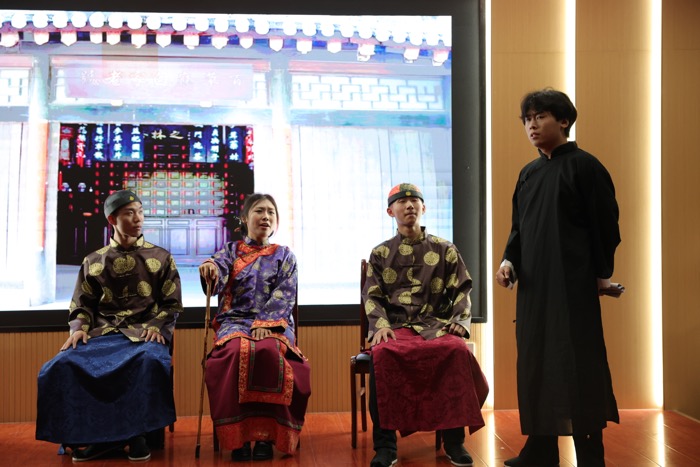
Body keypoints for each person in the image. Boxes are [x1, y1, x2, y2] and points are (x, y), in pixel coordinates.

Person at [495, 88, 621, 467]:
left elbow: (606, 227)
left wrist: (600, 275)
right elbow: (519, 229)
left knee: (577, 366)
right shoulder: (528, 173)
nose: (532, 126)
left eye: (540, 117)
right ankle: (541, 451)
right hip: (534, 290)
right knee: (536, 365)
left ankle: (590, 458)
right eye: (527, 120)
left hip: (571, 287)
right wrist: (509, 261)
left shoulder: (586, 167)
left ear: (563, 120)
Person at [36, 189, 183, 462]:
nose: (138, 218)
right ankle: (91, 437)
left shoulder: (161, 257)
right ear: (112, 219)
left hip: (143, 335)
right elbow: (81, 305)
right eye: (129, 213)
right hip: (102, 335)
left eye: (140, 212)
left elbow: (171, 304)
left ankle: (136, 436)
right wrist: (78, 329)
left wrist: (156, 325)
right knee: (61, 365)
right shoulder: (93, 261)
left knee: (150, 361)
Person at [362, 183, 489, 467]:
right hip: (397, 327)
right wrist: (380, 325)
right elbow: (372, 295)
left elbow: (462, 289)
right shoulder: (380, 253)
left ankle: (454, 442)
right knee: (382, 354)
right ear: (390, 211)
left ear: (424, 208)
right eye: (402, 202)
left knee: (456, 351)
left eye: (415, 201)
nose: (409, 205)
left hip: (436, 325)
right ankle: (385, 447)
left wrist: (459, 321)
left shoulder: (445, 249)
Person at [198, 193, 310, 462]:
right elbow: (218, 272)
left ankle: (266, 437)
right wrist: (210, 267)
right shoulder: (230, 251)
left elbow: (285, 295)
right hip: (234, 322)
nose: (266, 217)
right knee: (235, 352)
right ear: (244, 218)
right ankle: (238, 439)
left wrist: (266, 325)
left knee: (268, 352)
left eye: (271, 212)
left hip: (275, 324)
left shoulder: (284, 255)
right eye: (259, 211)